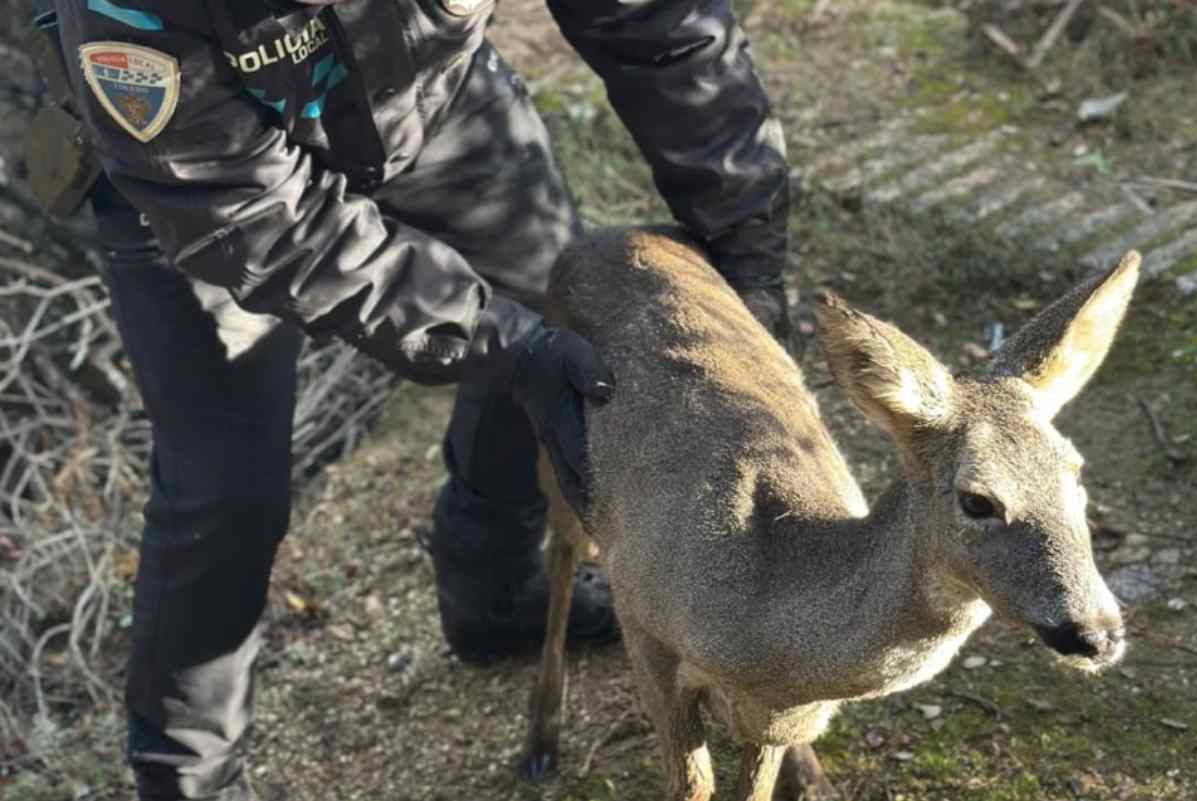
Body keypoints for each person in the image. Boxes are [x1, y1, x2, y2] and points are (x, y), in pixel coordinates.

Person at [49, 0, 791, 798]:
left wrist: (744, 239)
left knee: (549, 309)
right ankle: (187, 777)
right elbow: (257, 222)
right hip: (198, 180)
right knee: (226, 491)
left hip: (425, 93)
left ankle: (493, 590)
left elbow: (659, 24)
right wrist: (496, 343)